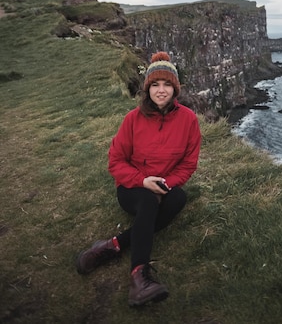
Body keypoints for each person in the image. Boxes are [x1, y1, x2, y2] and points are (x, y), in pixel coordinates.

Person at [76, 51, 201, 307]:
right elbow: (115, 162)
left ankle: (113, 245)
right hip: (132, 188)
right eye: (155, 84)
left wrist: (164, 184)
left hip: (165, 186)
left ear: (175, 89)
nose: (161, 90)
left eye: (167, 84)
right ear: (147, 89)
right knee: (147, 201)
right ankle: (139, 277)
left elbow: (188, 164)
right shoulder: (132, 120)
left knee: (178, 198)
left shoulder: (189, 120)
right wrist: (143, 181)